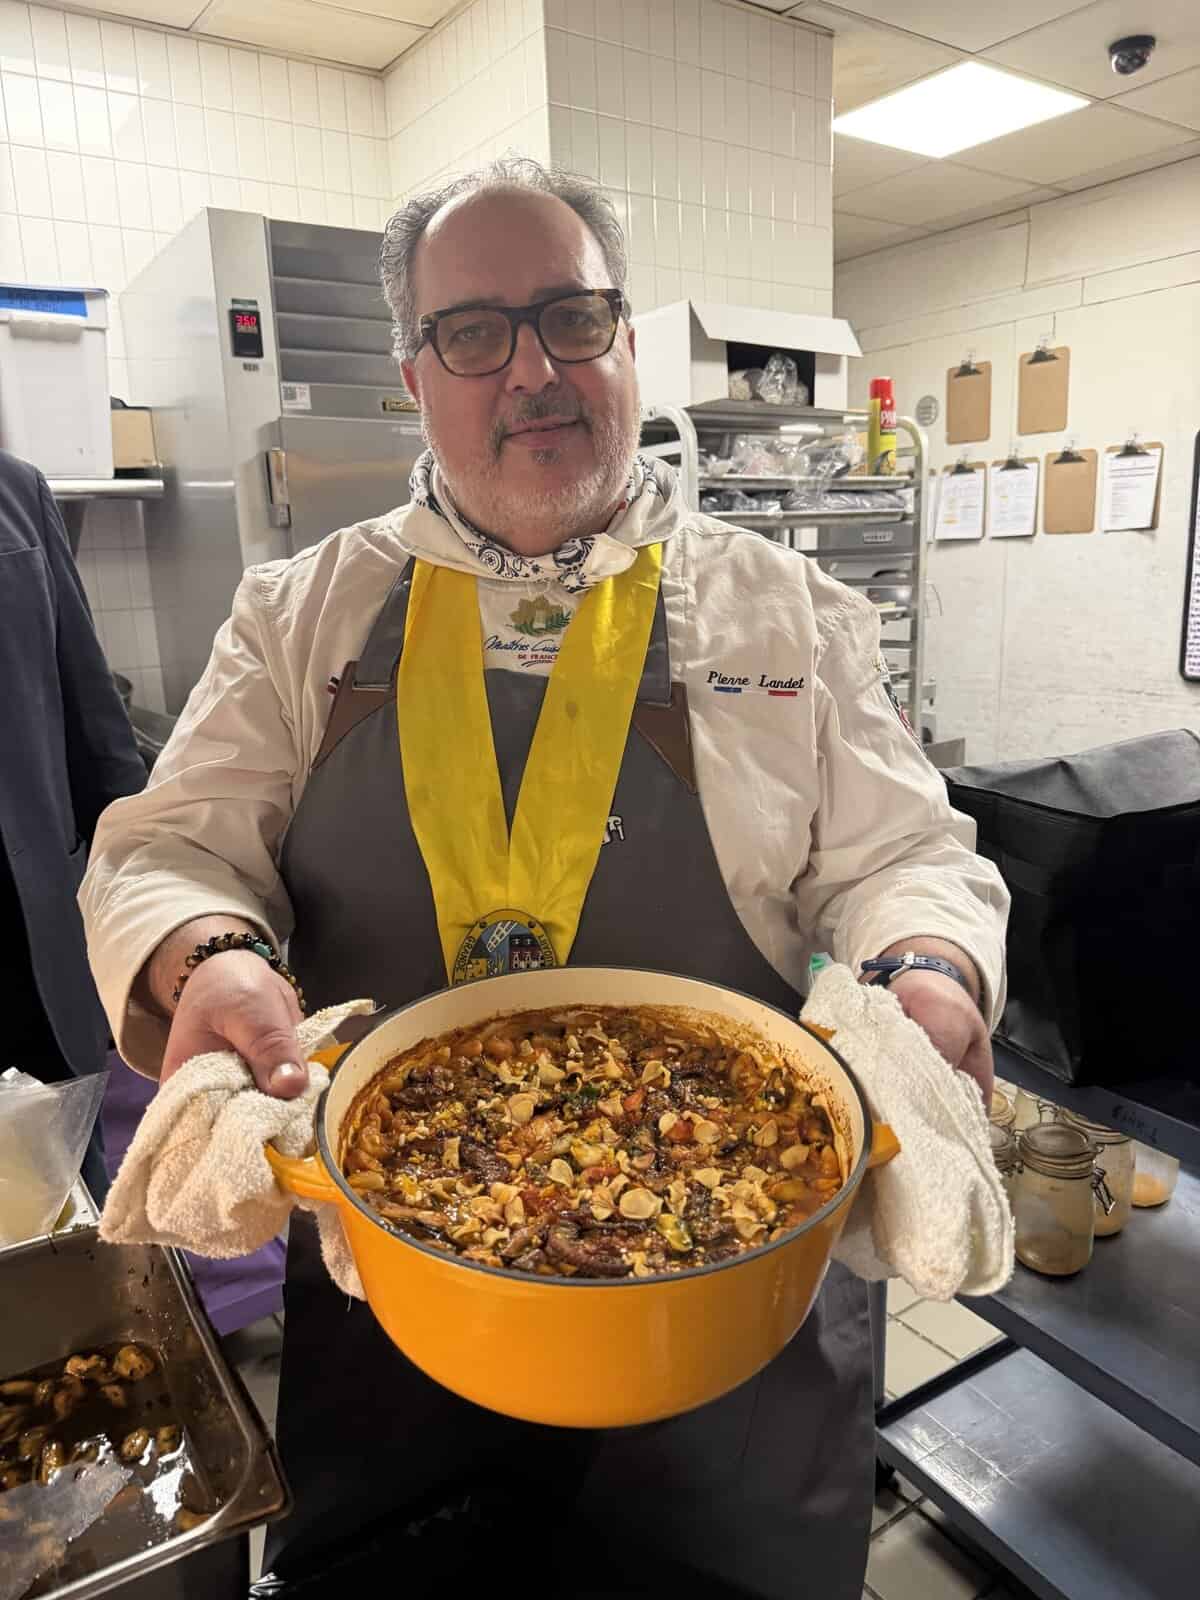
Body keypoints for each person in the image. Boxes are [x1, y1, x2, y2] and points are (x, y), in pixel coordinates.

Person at [80, 159, 1008, 1597]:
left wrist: (926, 970)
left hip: (733, 1279)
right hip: (394, 1271)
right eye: (475, 333)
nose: (533, 368)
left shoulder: (787, 611)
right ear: (416, 375)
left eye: (573, 318)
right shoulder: (296, 616)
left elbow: (905, 857)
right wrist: (206, 952)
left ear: (628, 344)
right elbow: (172, 845)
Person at [1, 449, 145, 1206]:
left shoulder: (15, 490)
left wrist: (159, 902)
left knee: (70, 1205)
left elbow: (96, 728)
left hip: (32, 953)